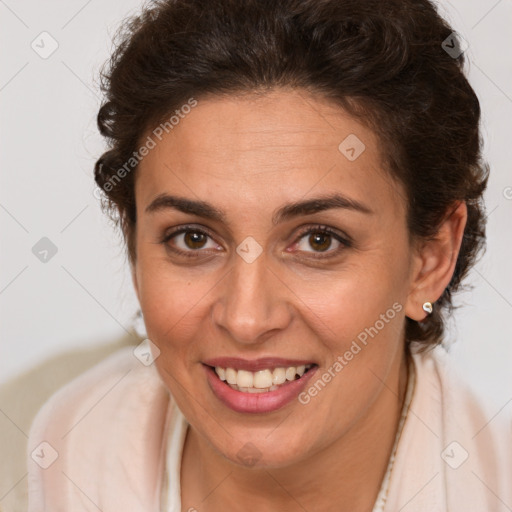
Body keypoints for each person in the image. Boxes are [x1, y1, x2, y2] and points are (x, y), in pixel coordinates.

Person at [26, 0, 512, 510]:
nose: (246, 318)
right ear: (133, 243)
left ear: (430, 259)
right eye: (193, 238)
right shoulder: (33, 456)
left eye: (319, 240)